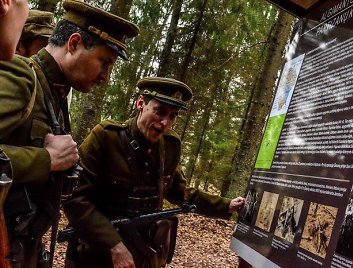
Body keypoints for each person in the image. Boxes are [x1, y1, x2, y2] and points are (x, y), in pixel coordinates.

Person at [0, 0, 139, 267]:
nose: (105, 77)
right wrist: (46, 159)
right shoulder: (23, 77)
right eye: (104, 62)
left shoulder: (56, 94)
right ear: (74, 43)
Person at [64, 77, 245, 268]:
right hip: (95, 252)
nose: (165, 123)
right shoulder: (106, 137)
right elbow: (75, 198)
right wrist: (114, 245)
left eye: (173, 116)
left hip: (143, 252)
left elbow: (180, 192)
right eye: (160, 112)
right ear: (141, 103)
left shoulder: (169, 145)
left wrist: (227, 205)